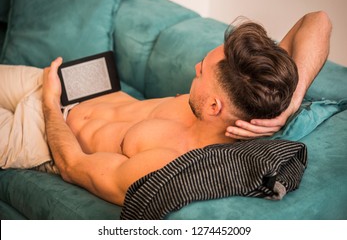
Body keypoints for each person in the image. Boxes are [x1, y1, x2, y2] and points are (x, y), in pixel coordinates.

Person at [0, 11, 331, 206]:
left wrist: (49, 104)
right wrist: (292, 102)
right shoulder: (249, 98)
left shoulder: (164, 164)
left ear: (215, 106)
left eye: (202, 70)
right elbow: (318, 19)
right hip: (72, 88)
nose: (196, 66)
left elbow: (73, 166)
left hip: (40, 134)